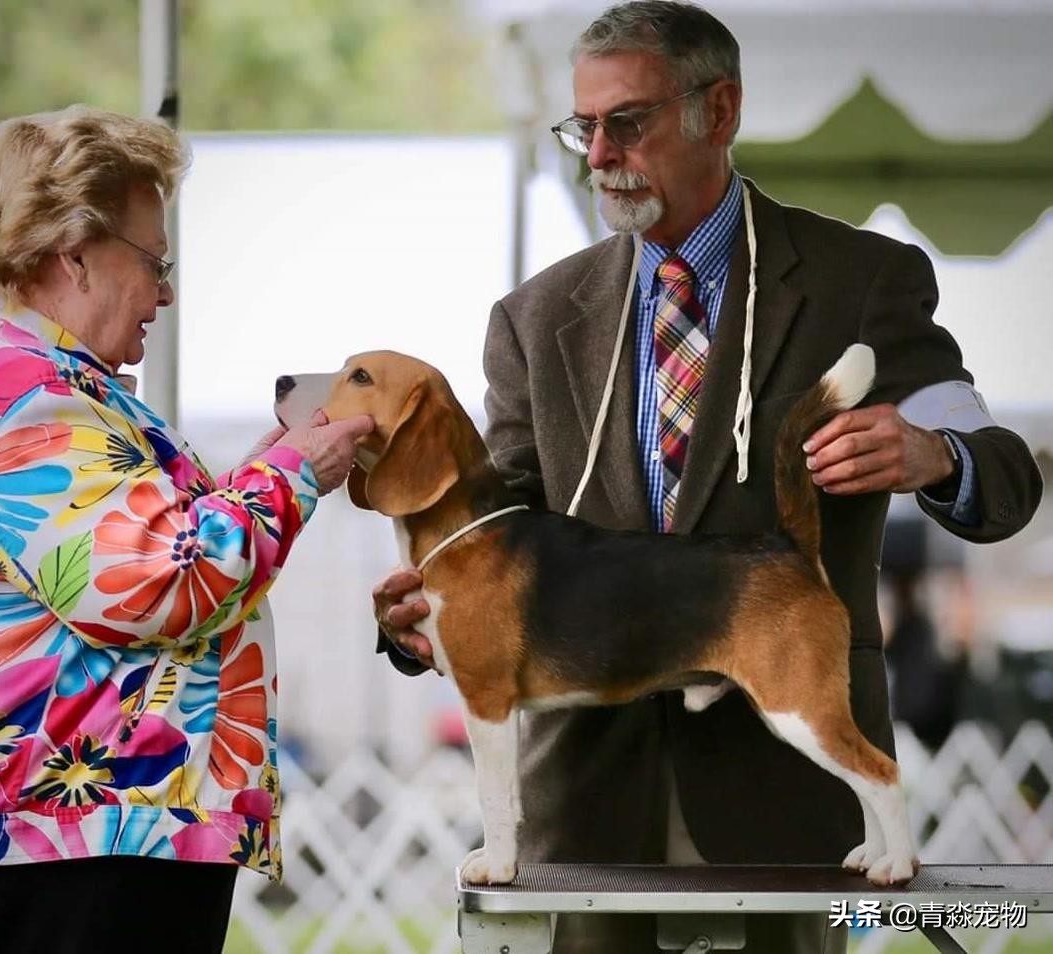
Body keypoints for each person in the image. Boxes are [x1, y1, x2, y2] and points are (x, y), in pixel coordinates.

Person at [373, 3, 1043, 952]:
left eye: (628, 122)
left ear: (717, 111)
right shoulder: (535, 315)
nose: (598, 152)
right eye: (583, 127)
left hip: (790, 803)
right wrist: (418, 614)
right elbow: (496, 521)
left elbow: (1005, 473)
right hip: (593, 809)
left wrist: (940, 457)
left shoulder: (865, 280)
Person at [0, 106, 372, 954]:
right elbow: (156, 585)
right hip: (86, 843)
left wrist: (248, 481)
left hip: (97, 833)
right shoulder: (29, 400)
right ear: (73, 252)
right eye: (153, 260)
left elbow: (122, 552)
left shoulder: (52, 384)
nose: (166, 291)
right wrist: (292, 475)